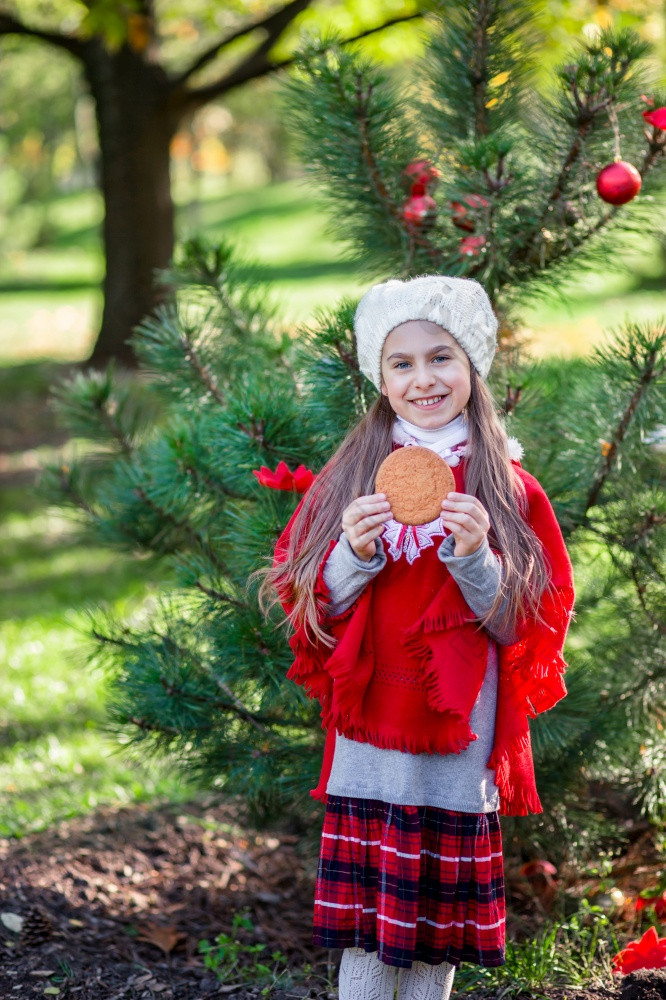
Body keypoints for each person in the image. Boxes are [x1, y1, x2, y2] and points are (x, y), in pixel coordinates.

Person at [260, 275, 574, 1000]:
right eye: (402, 363)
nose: (424, 379)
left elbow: (523, 626)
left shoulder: (509, 487)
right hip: (371, 740)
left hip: (458, 744)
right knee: (372, 933)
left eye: (442, 358)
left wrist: (474, 562)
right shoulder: (352, 476)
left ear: (473, 367)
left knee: (435, 935)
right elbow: (307, 601)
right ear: (380, 376)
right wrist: (353, 555)